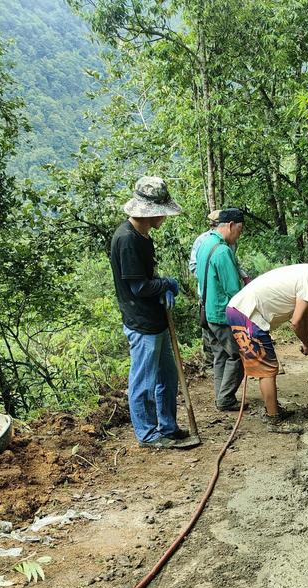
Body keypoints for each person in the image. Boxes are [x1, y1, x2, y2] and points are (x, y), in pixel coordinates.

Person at [110, 176, 187, 449]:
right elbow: (139, 286)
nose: (164, 218)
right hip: (141, 322)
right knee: (144, 381)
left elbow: (146, 277)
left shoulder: (143, 237)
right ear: (150, 211)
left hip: (156, 319)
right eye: (161, 212)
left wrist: (162, 286)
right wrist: (166, 284)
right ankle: (148, 434)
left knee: (167, 375)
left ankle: (167, 426)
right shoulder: (127, 240)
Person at [226, 248, 308, 424]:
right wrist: (307, 344)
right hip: (248, 314)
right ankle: (274, 419)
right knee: (268, 369)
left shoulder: (305, 273)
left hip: (242, 310)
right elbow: (297, 322)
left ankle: (273, 410)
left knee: (268, 367)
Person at [195, 208, 247, 411]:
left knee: (221, 356)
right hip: (222, 314)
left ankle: (220, 396)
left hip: (207, 312)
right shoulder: (223, 251)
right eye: (239, 230)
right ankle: (226, 399)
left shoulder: (205, 244)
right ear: (231, 225)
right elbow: (234, 289)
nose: (239, 235)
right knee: (238, 356)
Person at [189, 210, 220, 368]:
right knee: (207, 326)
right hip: (207, 292)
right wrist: (212, 278)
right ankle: (210, 364)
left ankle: (222, 363)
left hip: (224, 294)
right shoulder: (202, 240)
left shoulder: (230, 240)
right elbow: (193, 266)